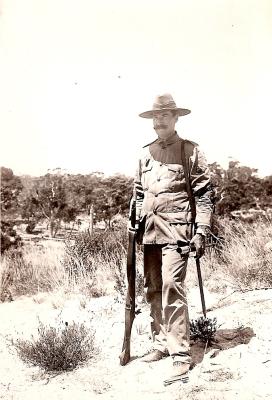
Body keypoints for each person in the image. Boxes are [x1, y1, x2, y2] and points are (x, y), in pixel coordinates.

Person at [130, 93, 213, 381]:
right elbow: (139, 194)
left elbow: (203, 196)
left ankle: (181, 354)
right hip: (148, 231)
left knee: (171, 286)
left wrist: (201, 230)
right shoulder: (145, 153)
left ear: (176, 118)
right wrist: (135, 222)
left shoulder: (189, 151)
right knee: (152, 287)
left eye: (165, 115)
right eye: (155, 115)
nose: (159, 120)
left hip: (178, 232)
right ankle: (161, 344)